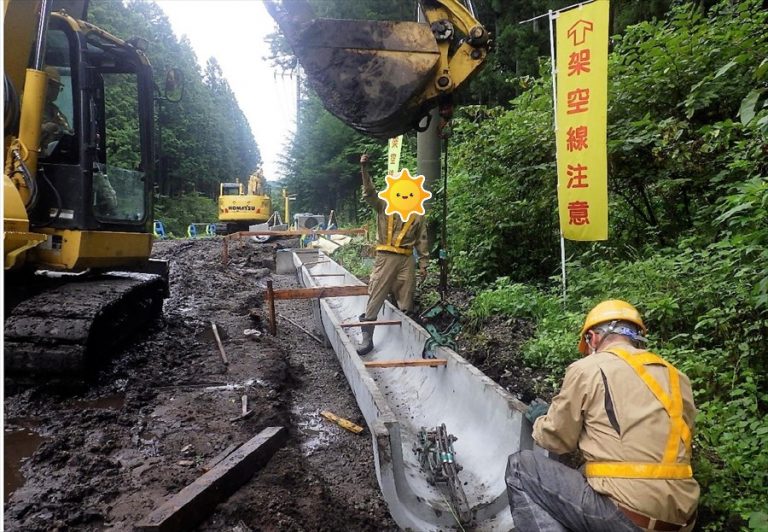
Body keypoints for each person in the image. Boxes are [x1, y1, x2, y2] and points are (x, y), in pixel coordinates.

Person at [506, 300, 699, 532]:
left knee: (520, 467)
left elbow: (557, 440)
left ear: (593, 338)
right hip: (681, 520)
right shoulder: (678, 377)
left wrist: (542, 420)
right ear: (636, 336)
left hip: (627, 518)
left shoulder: (588, 368)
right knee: (583, 474)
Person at [357, 153, 429, 356]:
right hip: (386, 257)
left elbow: (422, 239)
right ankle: (367, 337)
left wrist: (423, 263)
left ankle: (404, 337)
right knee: (377, 293)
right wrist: (364, 168)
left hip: (407, 259)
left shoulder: (417, 213)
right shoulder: (384, 205)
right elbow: (369, 193)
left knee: (407, 296)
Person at [40, 66, 72, 150]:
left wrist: (69, 131)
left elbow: (66, 127)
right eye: (55, 86)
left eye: (58, 88)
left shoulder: (54, 109)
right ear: (44, 83)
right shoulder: (26, 102)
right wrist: (44, 128)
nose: (57, 91)